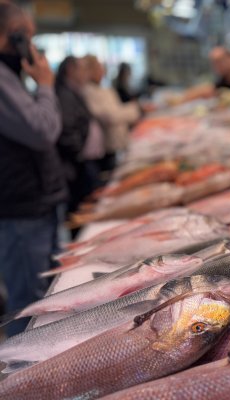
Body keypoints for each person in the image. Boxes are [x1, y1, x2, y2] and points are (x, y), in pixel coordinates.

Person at [0, 1, 66, 336]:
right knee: (29, 309)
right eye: (29, 37)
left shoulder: (10, 76)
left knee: (44, 300)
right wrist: (44, 83)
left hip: (32, 204)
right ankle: (23, 385)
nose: (34, 47)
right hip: (22, 209)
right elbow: (42, 130)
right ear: (12, 37)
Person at [55, 56, 104, 223]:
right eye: (82, 69)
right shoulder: (64, 94)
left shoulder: (74, 91)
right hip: (78, 167)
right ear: (70, 69)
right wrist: (79, 155)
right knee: (80, 214)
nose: (86, 74)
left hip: (84, 163)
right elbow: (67, 131)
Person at [81, 55, 141, 172]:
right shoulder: (88, 92)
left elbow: (117, 111)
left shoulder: (103, 89)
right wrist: (134, 109)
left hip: (118, 144)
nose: (102, 70)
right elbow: (110, 116)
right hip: (106, 148)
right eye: (98, 67)